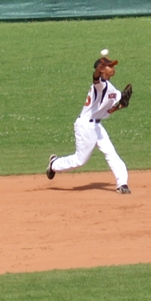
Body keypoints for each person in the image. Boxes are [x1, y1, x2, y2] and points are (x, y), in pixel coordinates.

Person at [47, 49, 133, 194]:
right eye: (110, 66)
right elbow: (95, 79)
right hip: (85, 125)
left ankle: (122, 184)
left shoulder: (112, 90)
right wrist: (97, 72)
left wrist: (121, 105)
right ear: (102, 69)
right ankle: (54, 164)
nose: (113, 68)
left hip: (97, 126)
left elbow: (108, 110)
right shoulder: (100, 86)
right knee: (80, 160)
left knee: (111, 153)